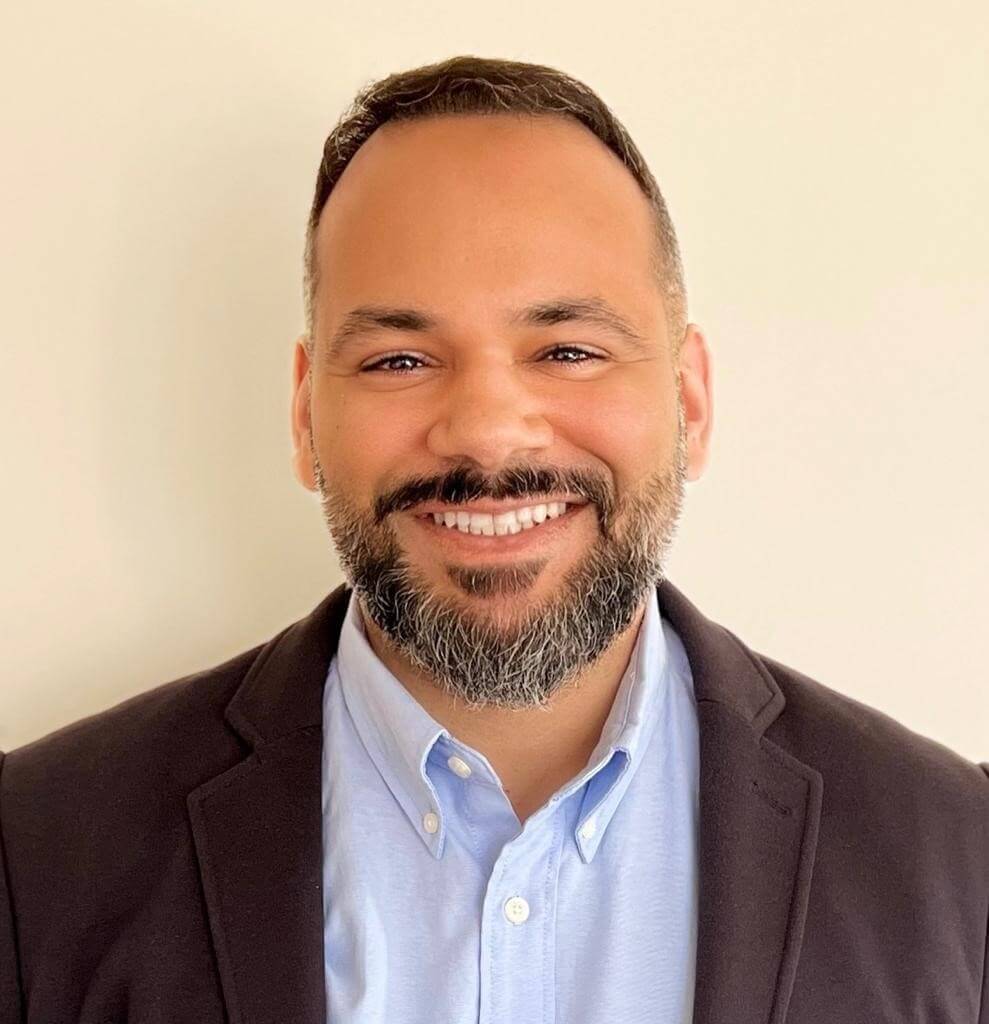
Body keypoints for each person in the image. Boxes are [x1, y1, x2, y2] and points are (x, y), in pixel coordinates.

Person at [0, 54, 986, 1024]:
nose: (483, 429)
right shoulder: (35, 856)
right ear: (304, 415)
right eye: (397, 357)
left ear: (688, 398)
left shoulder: (958, 859)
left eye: (566, 350)